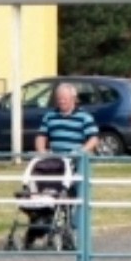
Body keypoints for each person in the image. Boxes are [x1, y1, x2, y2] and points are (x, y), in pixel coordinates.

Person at [35, 82, 99, 227]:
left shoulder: (84, 117)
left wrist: (81, 151)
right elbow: (41, 136)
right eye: (59, 98)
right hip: (56, 162)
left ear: (73, 98)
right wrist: (42, 152)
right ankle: (47, 222)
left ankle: (76, 228)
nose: (61, 101)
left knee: (78, 195)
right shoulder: (50, 116)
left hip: (76, 163)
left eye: (64, 98)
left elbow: (94, 138)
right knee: (48, 190)